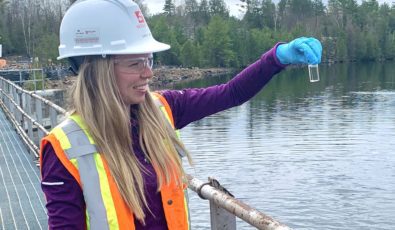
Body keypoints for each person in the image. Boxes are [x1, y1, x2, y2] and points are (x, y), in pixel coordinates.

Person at [39, 0, 322, 229]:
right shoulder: (65, 148)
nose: (148, 73)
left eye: (149, 60)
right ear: (97, 71)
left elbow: (231, 93)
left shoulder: (163, 110)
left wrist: (276, 59)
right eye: (135, 62)